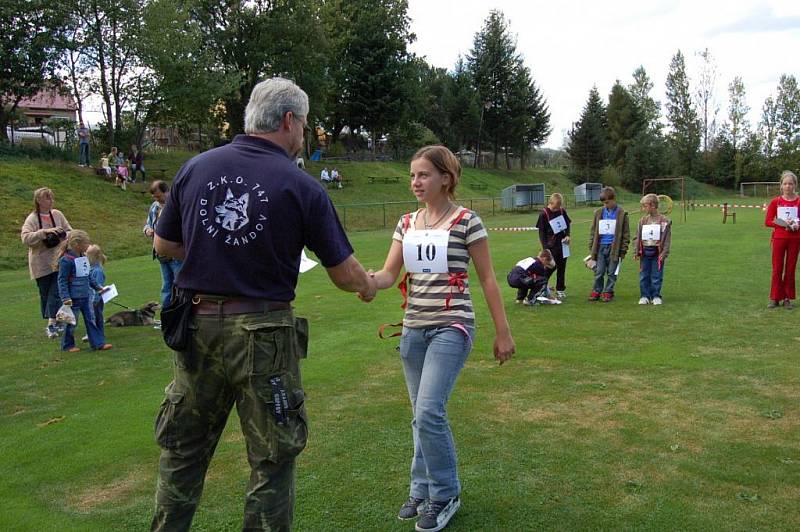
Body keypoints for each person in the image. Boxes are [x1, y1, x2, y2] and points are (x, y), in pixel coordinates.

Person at [149, 77, 376, 532]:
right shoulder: (300, 184)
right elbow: (343, 273)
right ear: (289, 121)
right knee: (272, 457)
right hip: (265, 336)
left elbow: (164, 244)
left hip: (196, 327)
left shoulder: (196, 168)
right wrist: (368, 285)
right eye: (305, 125)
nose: (304, 135)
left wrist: (217, 254)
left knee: (183, 452)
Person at [368, 145, 514, 532]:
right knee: (420, 416)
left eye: (424, 175)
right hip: (413, 329)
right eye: (413, 175)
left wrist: (503, 333)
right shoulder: (406, 222)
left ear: (446, 179)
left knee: (429, 411)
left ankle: (445, 493)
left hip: (453, 325)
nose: (415, 181)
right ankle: (421, 489)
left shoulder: (468, 221)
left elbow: (487, 279)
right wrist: (367, 283)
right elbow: (387, 275)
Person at [20, 188, 72, 339]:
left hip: (58, 260)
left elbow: (70, 231)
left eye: (52, 198)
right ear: (38, 201)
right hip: (40, 263)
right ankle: (57, 320)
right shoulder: (32, 219)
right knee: (45, 294)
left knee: (56, 292)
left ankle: (52, 323)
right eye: (47, 198)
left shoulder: (57, 214)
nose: (51, 200)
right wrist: (45, 232)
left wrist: (61, 233)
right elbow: (25, 238)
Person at [55, 230, 112, 352]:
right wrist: (65, 297)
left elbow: (88, 276)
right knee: (71, 322)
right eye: (86, 243)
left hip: (86, 296)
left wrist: (98, 287)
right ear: (77, 244)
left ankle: (98, 343)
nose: (88, 245)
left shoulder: (83, 257)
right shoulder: (66, 260)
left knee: (91, 320)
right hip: (72, 298)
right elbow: (62, 280)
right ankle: (68, 345)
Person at [144, 180, 183, 309]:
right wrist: (148, 230)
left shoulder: (177, 206)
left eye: (159, 196)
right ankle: (166, 317)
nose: (157, 199)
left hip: (175, 254)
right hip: (161, 255)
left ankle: (181, 315)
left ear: (167, 192)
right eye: (154, 197)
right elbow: (147, 224)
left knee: (180, 286)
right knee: (166, 287)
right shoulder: (154, 207)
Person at [764, 170, 800, 309]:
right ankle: (774, 298)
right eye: (785, 184)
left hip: (795, 239)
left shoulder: (798, 201)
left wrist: (796, 224)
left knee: (790, 269)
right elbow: (767, 221)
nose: (787, 186)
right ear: (781, 185)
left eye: (790, 184)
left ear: (795, 185)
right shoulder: (776, 202)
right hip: (779, 238)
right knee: (777, 268)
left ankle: (787, 298)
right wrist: (781, 223)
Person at [588, 186, 630, 302]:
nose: (606, 205)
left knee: (612, 272)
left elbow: (626, 234)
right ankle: (597, 290)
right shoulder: (598, 213)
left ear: (614, 199)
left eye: (607, 202)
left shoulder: (622, 213)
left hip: (614, 248)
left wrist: (623, 250)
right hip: (600, 247)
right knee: (599, 271)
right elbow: (593, 231)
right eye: (604, 203)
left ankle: (608, 291)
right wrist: (592, 247)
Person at [633, 194, 672, 305]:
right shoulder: (642, 221)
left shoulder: (665, 221)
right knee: (644, 275)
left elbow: (667, 239)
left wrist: (664, 253)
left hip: (657, 253)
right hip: (644, 252)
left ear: (653, 205)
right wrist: (636, 251)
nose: (643, 208)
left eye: (645, 206)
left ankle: (655, 296)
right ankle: (644, 296)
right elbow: (636, 237)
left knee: (656, 275)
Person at [535, 192, 571, 299]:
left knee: (562, 267)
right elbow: (541, 232)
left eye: (559, 207)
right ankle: (541, 287)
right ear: (550, 203)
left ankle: (560, 289)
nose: (557, 210)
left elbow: (567, 224)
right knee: (550, 267)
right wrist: (545, 247)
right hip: (551, 246)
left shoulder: (562, 211)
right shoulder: (543, 214)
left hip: (563, 244)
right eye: (555, 207)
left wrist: (568, 236)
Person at [85, 244, 108, 341]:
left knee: (96, 317)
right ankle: (93, 334)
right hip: (92, 298)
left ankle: (95, 334)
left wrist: (95, 300)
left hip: (96, 300)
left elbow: (98, 287)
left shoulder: (97, 271)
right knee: (92, 316)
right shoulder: (91, 269)